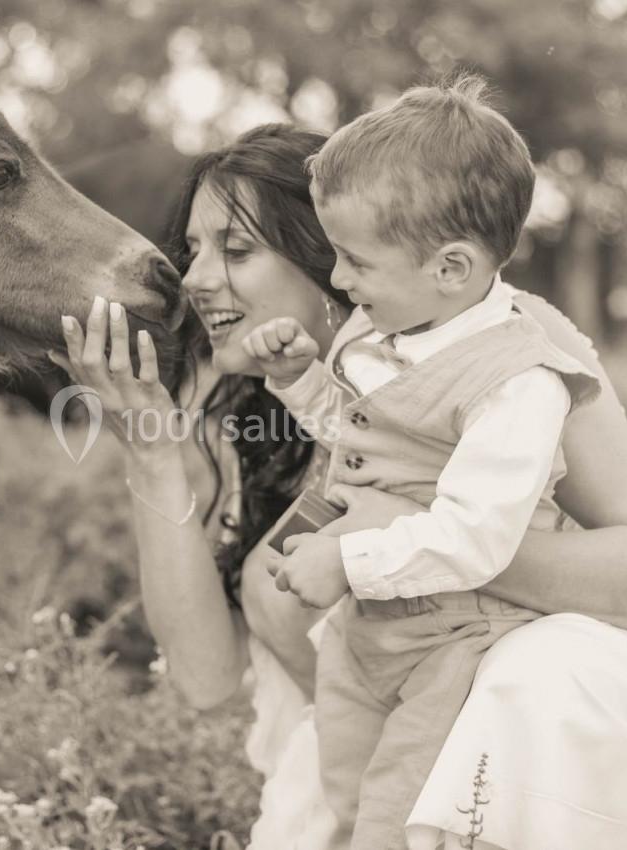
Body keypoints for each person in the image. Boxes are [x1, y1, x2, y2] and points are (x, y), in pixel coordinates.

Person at [49, 123, 627, 850]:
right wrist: (150, 446)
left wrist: (392, 538)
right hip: (382, 743)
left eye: (237, 250)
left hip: (602, 684)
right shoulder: (250, 411)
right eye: (192, 251)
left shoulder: (510, 353)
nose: (197, 280)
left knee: (537, 676)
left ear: (329, 260)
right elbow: (206, 679)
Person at [237, 77, 601, 849]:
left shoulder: (518, 381)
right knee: (347, 796)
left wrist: (348, 562)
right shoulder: (385, 333)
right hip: (368, 629)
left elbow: (477, 536)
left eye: (354, 262)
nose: (338, 281)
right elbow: (366, 443)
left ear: (451, 267)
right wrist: (301, 381)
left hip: (453, 641)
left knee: (401, 820)